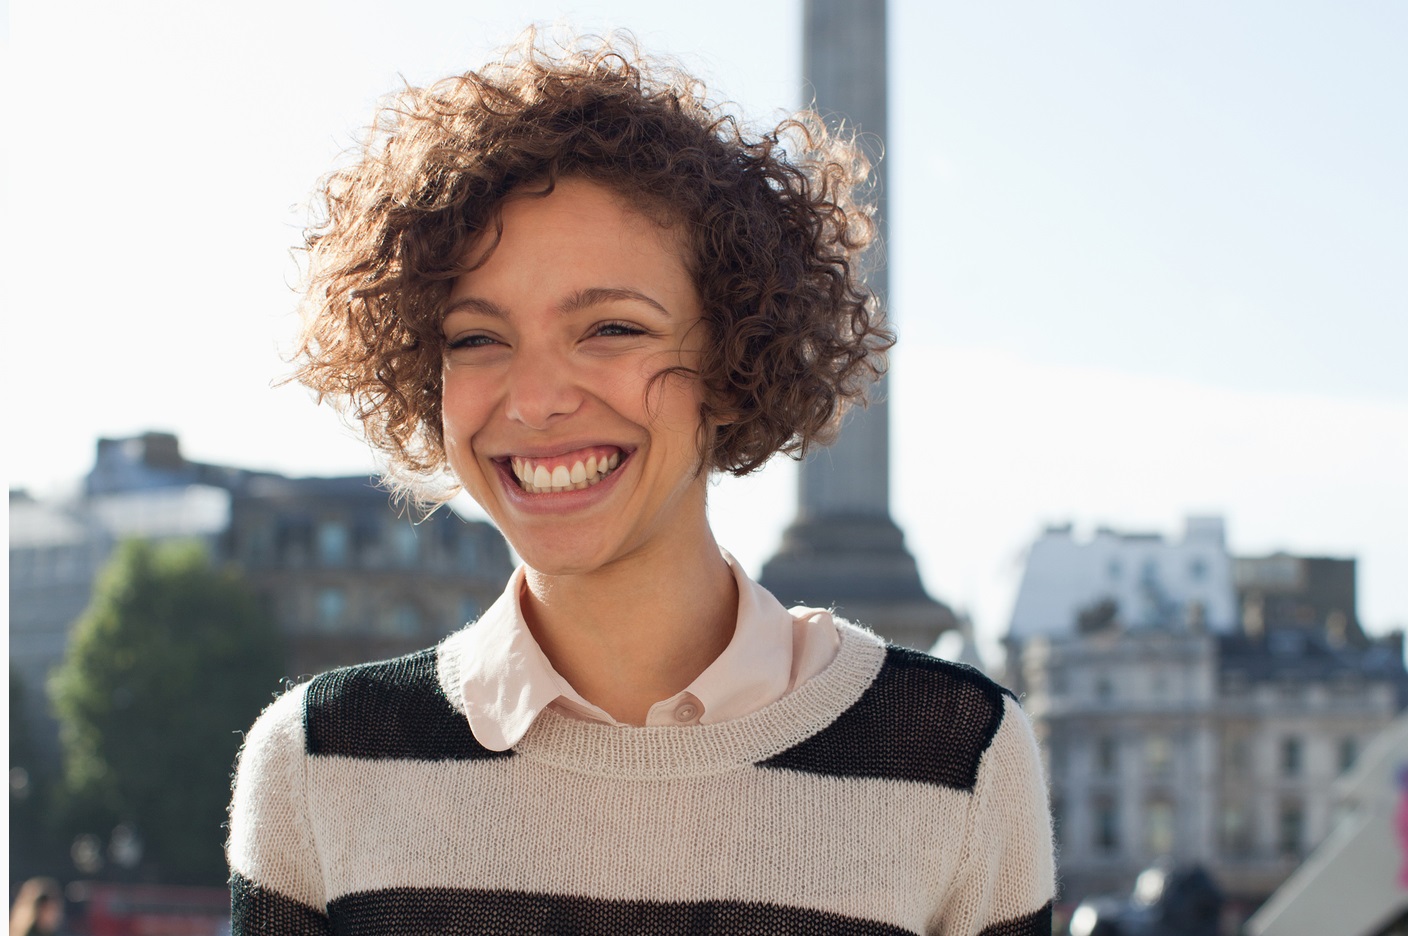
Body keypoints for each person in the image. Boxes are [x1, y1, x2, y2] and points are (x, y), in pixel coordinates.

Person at [227, 31, 1054, 935]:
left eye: (613, 328)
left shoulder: (961, 761)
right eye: (475, 337)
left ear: (735, 359)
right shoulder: (315, 761)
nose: (536, 399)